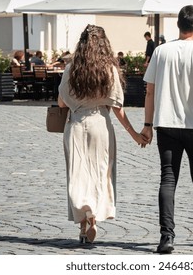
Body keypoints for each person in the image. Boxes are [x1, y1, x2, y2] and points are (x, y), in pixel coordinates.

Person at [141, 5, 193, 254]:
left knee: (168, 178)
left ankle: (166, 236)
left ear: (178, 24)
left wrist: (147, 124)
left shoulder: (160, 51)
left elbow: (150, 91)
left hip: (165, 124)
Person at [58, 24, 148, 244]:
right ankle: (92, 217)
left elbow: (61, 102)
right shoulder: (109, 69)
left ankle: (84, 220)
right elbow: (118, 107)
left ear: (81, 43)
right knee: (99, 173)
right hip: (101, 124)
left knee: (78, 174)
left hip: (77, 123)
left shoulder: (72, 69)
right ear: (104, 44)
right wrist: (135, 134)